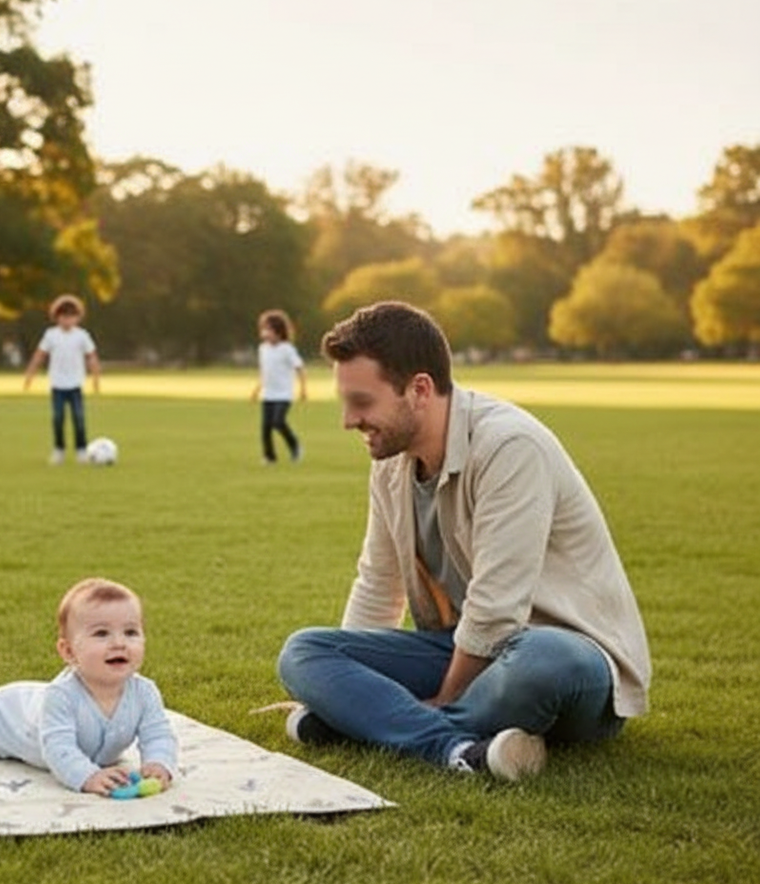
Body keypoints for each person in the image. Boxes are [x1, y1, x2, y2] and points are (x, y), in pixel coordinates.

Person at [275, 301, 651, 782]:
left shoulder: (509, 447)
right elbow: (378, 583)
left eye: (363, 402)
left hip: (568, 661)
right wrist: (339, 678)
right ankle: (458, 748)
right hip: (461, 647)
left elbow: (497, 608)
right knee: (306, 652)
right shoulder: (390, 462)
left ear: (420, 390)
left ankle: (383, 726)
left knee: (541, 660)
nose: (349, 421)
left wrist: (427, 698)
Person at [0, 578, 178, 796]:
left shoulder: (145, 693)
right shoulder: (61, 696)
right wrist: (88, 776)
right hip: (7, 715)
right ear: (68, 651)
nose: (119, 643)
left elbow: (158, 734)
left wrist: (158, 763)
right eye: (101, 634)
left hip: (32, 704)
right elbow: (58, 748)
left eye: (131, 632)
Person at [23, 294, 101, 465]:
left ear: (77, 318)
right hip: (58, 385)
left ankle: (81, 449)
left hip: (75, 385)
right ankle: (59, 449)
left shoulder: (82, 336)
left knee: (79, 418)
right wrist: (30, 375)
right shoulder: (51, 335)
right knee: (58, 418)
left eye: (71, 316)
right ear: (56, 317)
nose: (67, 320)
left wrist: (96, 378)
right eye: (63, 316)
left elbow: (91, 357)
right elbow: (39, 355)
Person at [249, 309, 307, 464]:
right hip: (268, 393)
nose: (265, 333)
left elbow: (300, 368)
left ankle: (295, 446)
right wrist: (257, 389)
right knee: (266, 427)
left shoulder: (287, 349)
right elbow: (264, 372)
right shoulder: (263, 349)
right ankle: (269, 456)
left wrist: (303, 389)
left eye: (268, 329)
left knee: (278, 421)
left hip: (284, 394)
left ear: (278, 331)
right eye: (263, 329)